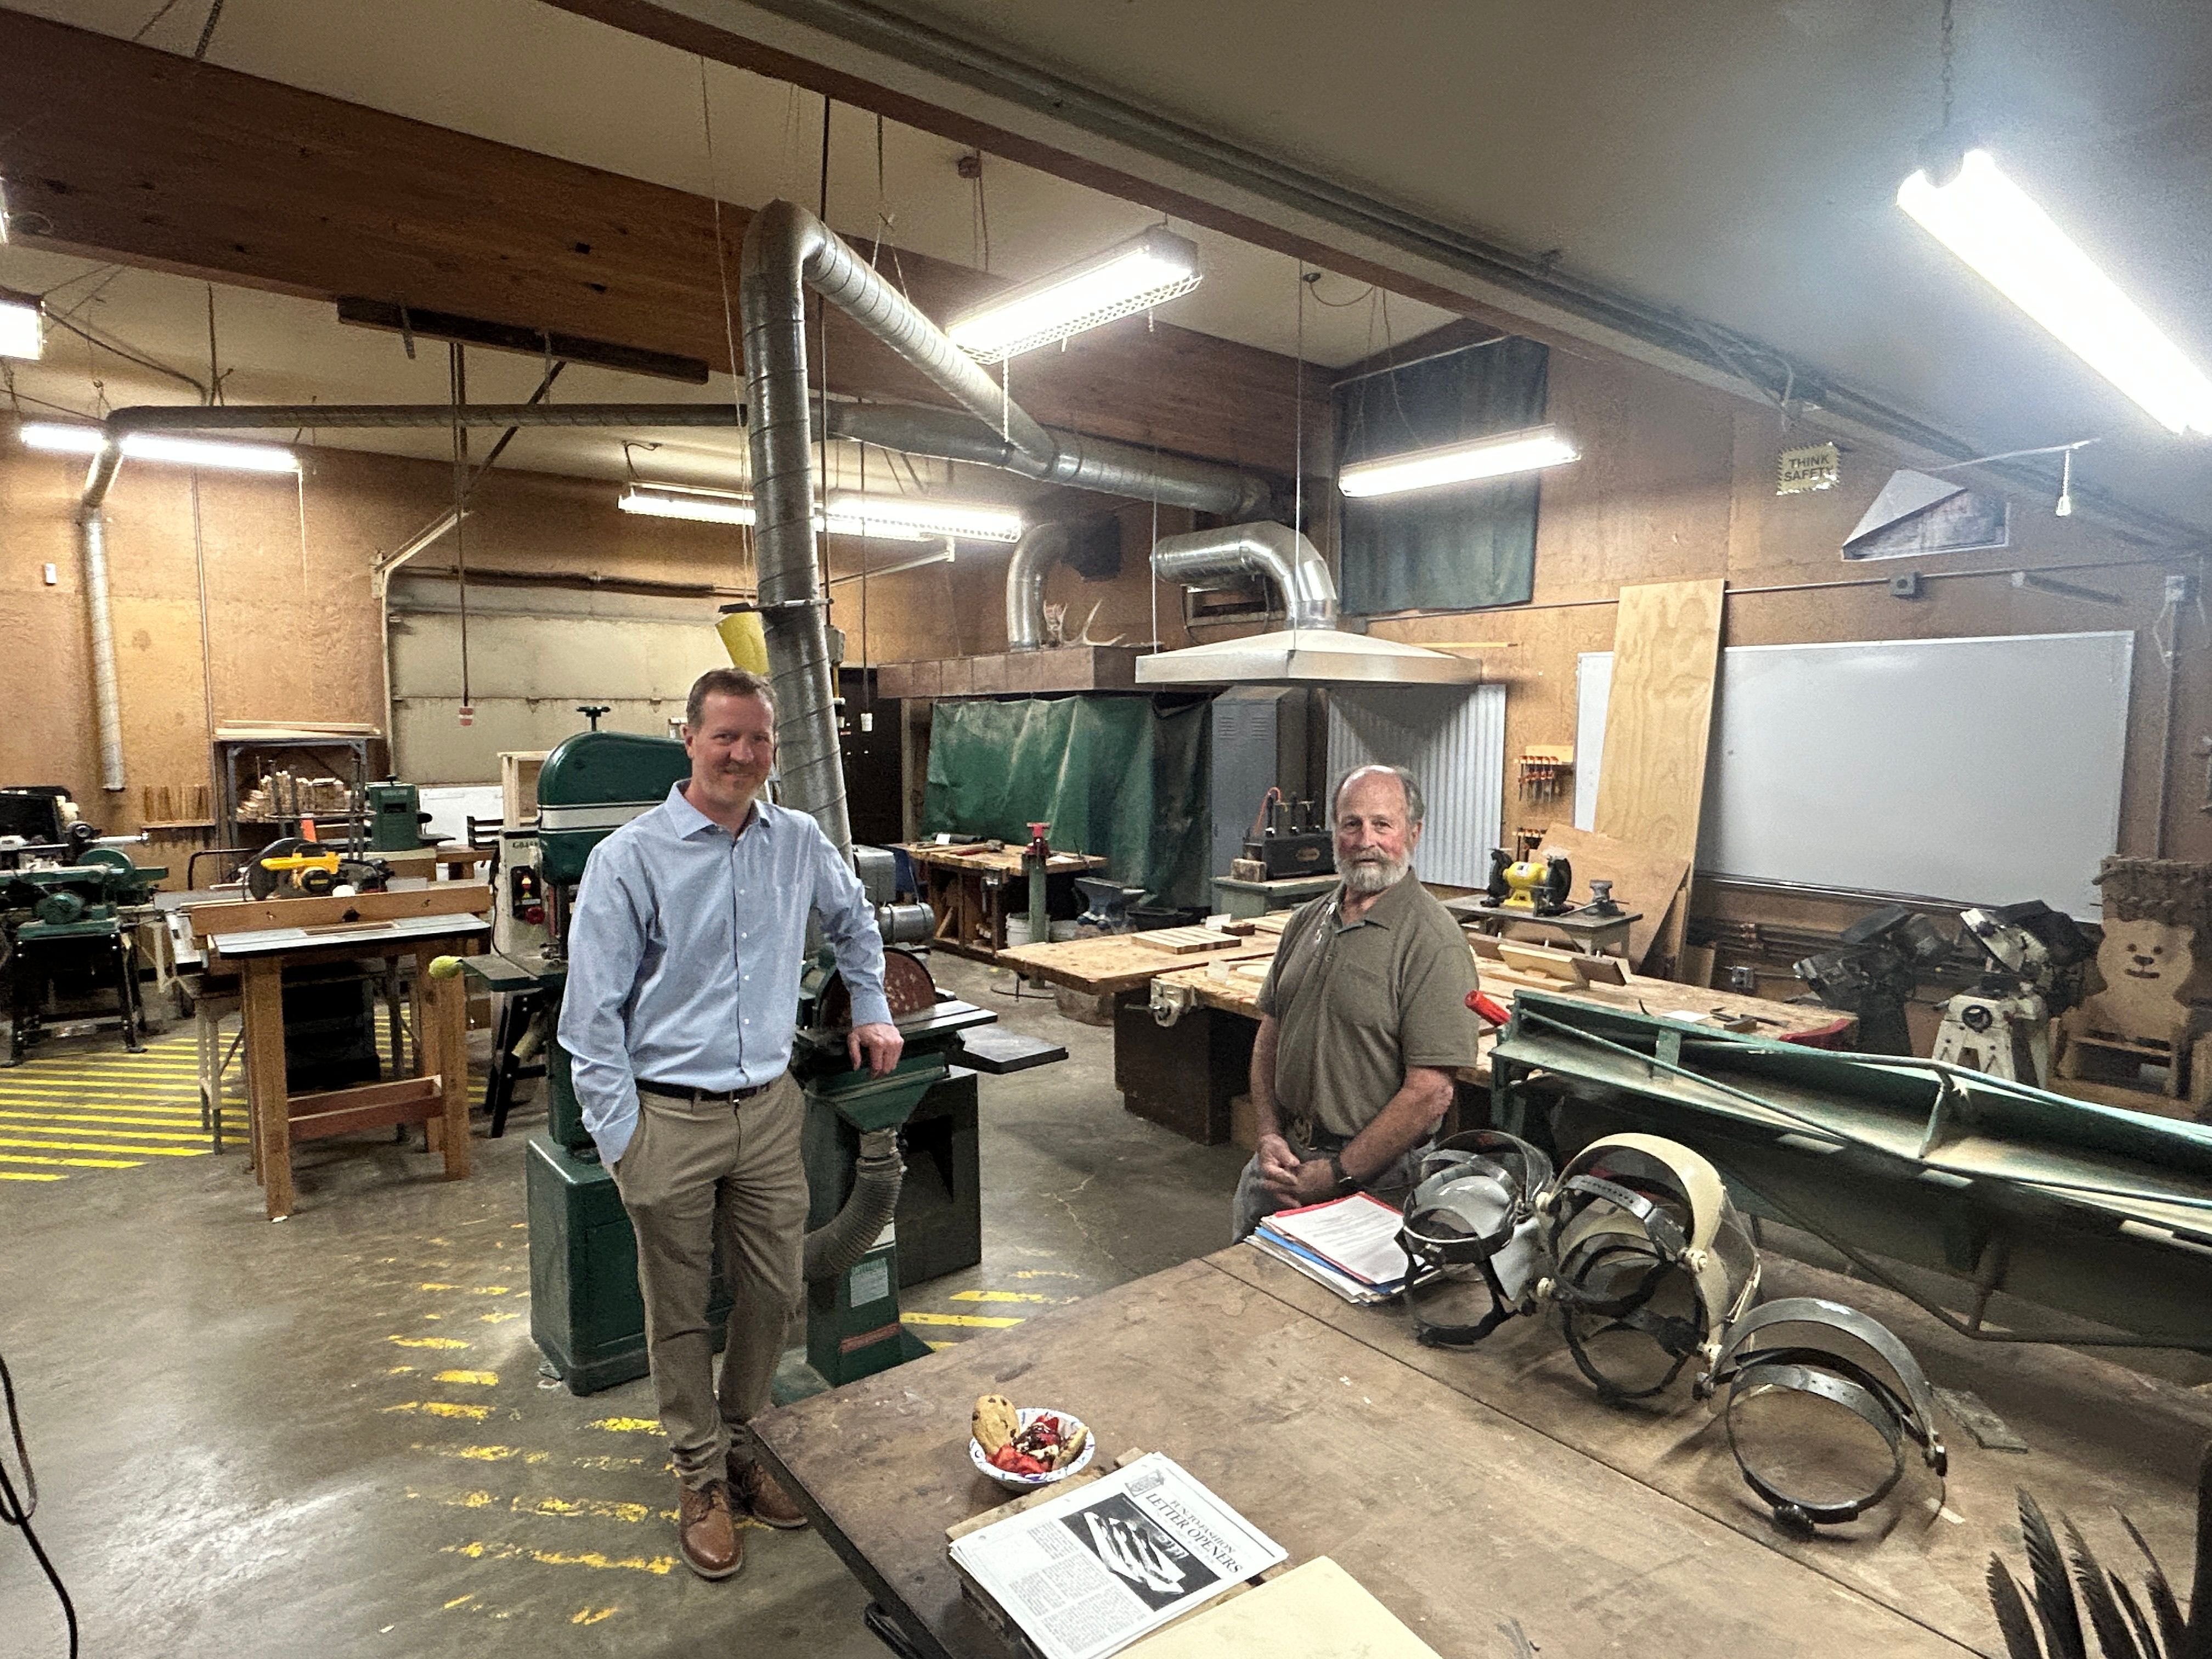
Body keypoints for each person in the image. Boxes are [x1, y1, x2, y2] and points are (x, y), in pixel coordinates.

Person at [558, 667, 904, 1582]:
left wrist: (870, 1002)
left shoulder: (797, 839)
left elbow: (853, 918)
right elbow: (588, 1019)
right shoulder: (628, 858)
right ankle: (700, 1475)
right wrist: (621, 1136)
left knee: (773, 1291)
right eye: (727, 737)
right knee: (676, 1312)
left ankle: (743, 1438)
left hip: (767, 1108)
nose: (745, 755)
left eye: (759, 740)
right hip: (666, 1116)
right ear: (690, 737)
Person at [1232, 763, 1481, 1242]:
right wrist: (1267, 1134)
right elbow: (1271, 1038)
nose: (1365, 839)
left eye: (1383, 824)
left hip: (1376, 1182)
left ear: (1414, 833)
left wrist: (1336, 1174)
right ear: (1335, 831)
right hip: (1281, 1166)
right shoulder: (1306, 921)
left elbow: (1430, 1094)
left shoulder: (1433, 943)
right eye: (1352, 823)